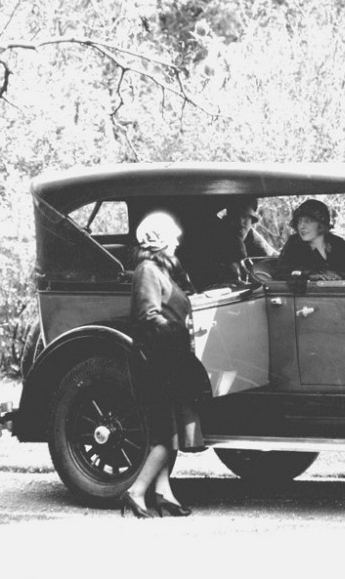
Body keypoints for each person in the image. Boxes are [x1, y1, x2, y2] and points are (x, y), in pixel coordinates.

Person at [122, 211, 205, 518]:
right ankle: (136, 492)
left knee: (169, 434)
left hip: (169, 360)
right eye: (173, 234)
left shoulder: (163, 268)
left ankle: (163, 493)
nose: (178, 239)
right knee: (164, 436)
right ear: (159, 239)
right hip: (157, 362)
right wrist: (178, 330)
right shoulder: (147, 270)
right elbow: (147, 316)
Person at [181, 197, 278, 290]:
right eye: (236, 216)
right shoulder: (212, 237)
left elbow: (272, 258)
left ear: (252, 220)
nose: (240, 222)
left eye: (245, 217)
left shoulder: (254, 238)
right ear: (228, 219)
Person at [275, 198, 345, 280]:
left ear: (321, 224)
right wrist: (308, 275)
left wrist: (337, 275)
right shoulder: (293, 245)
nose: (302, 226)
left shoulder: (339, 245)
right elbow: (281, 274)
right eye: (299, 221)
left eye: (308, 221)